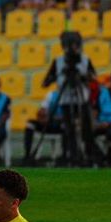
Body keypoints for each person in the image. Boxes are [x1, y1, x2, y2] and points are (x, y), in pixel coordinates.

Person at [43, 31, 96, 165]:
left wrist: (84, 77)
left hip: (82, 100)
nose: (71, 49)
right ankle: (72, 156)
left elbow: (94, 77)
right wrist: (58, 75)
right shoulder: (58, 61)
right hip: (65, 100)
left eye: (74, 45)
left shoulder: (85, 59)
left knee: (86, 129)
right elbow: (46, 81)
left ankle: (89, 155)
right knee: (69, 129)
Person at [23, 90, 65, 164]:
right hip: (48, 124)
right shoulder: (51, 95)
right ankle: (27, 155)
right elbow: (41, 111)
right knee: (30, 124)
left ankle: (65, 156)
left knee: (67, 127)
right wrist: (42, 118)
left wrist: (54, 118)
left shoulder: (70, 97)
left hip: (60, 126)